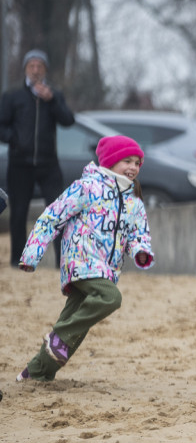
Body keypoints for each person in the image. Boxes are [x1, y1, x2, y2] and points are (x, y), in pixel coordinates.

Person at [15, 136, 153, 382]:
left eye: (137, 163)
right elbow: (52, 217)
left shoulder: (134, 200)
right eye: (127, 161)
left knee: (76, 328)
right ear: (110, 162)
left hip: (107, 268)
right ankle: (58, 335)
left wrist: (140, 250)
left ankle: (35, 374)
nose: (133, 167)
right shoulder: (87, 187)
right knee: (110, 298)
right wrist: (31, 254)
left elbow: (138, 232)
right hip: (81, 261)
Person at [0, 49, 76, 267]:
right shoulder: (13, 95)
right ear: (25, 69)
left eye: (39, 66)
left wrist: (52, 100)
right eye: (31, 66)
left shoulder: (54, 95)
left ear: (45, 70)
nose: (35, 70)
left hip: (48, 163)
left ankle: (61, 261)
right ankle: (18, 260)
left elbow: (68, 120)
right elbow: (1, 126)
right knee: (18, 212)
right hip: (19, 163)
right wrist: (14, 139)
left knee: (58, 212)